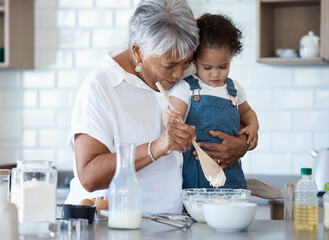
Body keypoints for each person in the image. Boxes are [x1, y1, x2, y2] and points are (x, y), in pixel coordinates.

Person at [66, 0, 249, 215]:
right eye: (169, 65)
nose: (179, 74)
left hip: (172, 224)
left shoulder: (188, 73)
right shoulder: (101, 87)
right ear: (138, 52)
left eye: (186, 62)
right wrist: (158, 146)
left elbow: (235, 116)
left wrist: (241, 145)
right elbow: (89, 175)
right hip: (115, 225)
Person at [163, 13, 259, 189]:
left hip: (232, 173)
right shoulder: (186, 87)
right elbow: (175, 111)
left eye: (223, 67)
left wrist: (253, 126)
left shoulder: (234, 89)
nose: (216, 74)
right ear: (194, 61)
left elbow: (247, 112)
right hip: (198, 176)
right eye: (207, 67)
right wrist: (171, 117)